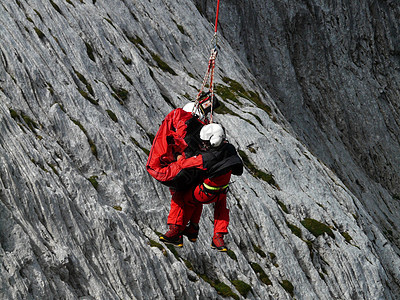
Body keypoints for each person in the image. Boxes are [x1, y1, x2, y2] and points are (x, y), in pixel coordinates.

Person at [159, 123, 243, 251]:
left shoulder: (207, 158)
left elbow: (185, 164)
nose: (204, 145)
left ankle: (176, 231)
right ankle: (217, 237)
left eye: (206, 143)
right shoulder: (229, 148)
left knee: (181, 196)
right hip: (221, 191)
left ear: (213, 141)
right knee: (221, 209)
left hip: (205, 193)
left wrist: (179, 156)